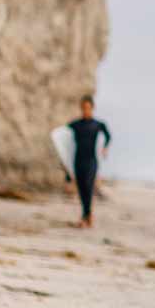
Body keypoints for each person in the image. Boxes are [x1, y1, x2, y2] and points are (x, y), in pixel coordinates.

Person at [65, 96, 110, 229]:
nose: (85, 110)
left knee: (88, 187)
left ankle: (86, 216)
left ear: (92, 108)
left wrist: (105, 148)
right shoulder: (75, 125)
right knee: (81, 189)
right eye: (83, 108)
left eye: (88, 108)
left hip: (91, 161)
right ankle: (87, 215)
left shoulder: (98, 125)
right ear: (81, 108)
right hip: (78, 160)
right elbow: (65, 138)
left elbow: (108, 135)